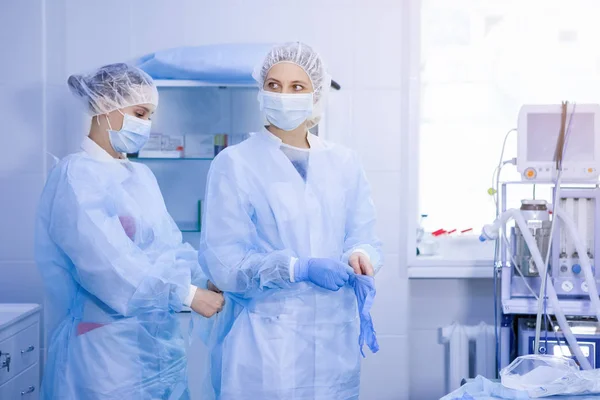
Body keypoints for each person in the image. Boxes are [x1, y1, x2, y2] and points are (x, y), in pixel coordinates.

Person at [198, 42, 382, 400]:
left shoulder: (343, 162)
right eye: (273, 85)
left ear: (316, 93)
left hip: (333, 340)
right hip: (267, 342)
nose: (283, 95)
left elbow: (365, 235)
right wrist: (296, 268)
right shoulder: (235, 163)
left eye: (297, 87)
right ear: (261, 92)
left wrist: (361, 255)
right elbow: (224, 263)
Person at [34, 63, 224, 400]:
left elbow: (170, 247)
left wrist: (206, 276)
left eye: (150, 115)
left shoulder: (140, 176)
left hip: (155, 346)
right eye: (139, 112)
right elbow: (106, 265)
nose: (146, 125)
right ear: (105, 104)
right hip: (102, 353)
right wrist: (187, 294)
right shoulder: (76, 176)